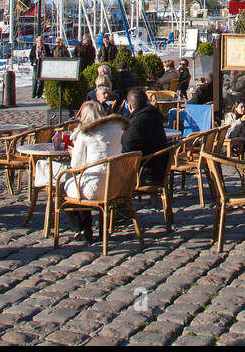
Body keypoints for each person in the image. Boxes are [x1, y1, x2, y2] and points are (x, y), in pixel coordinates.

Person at [62, 106, 129, 242]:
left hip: (96, 185)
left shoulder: (84, 134)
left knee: (65, 185)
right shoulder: (116, 130)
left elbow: (76, 166)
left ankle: (81, 229)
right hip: (118, 185)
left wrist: (74, 152)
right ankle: (98, 230)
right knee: (82, 182)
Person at [122, 87, 169, 184]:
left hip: (146, 174)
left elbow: (126, 149)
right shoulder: (153, 114)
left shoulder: (137, 123)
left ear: (130, 106)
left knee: (110, 172)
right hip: (161, 169)